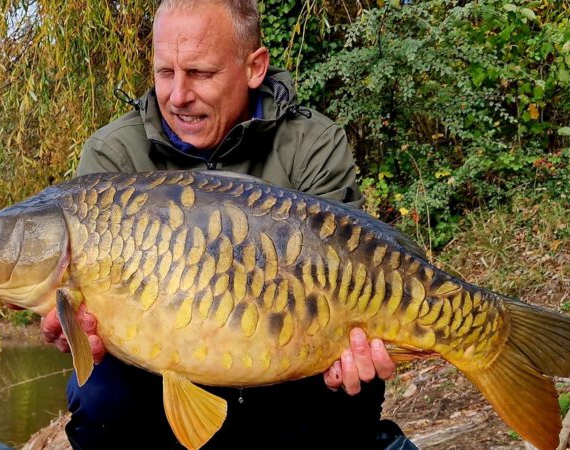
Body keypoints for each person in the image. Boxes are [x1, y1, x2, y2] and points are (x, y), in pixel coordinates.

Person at [40, 1, 415, 448]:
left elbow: (349, 274)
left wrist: (353, 349)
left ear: (254, 68)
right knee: (99, 394)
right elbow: (81, 309)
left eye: (200, 73)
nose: (178, 95)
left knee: (351, 389)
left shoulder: (311, 144)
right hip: (159, 371)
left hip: (290, 360)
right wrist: (73, 327)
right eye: (165, 72)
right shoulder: (114, 156)